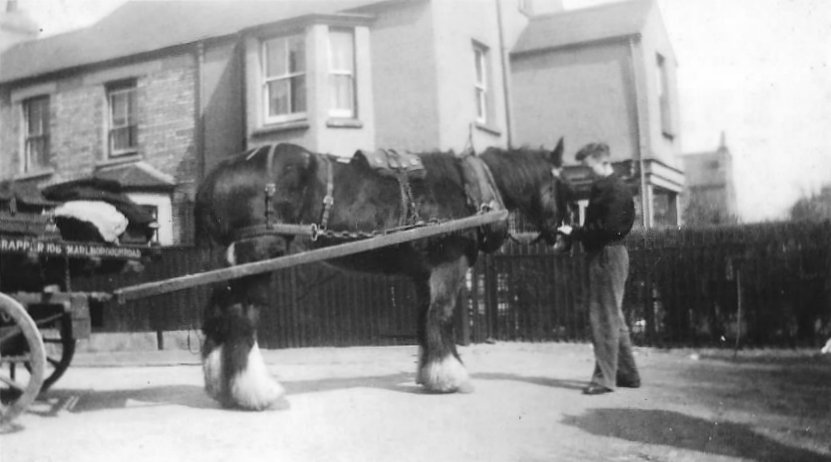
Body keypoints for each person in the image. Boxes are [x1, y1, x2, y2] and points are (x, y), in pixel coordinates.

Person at [557, 142, 641, 395]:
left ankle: (604, 379)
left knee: (603, 317)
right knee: (613, 315)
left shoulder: (616, 190)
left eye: (589, 166)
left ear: (603, 162)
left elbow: (609, 229)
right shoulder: (604, 188)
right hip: (604, 254)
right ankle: (627, 374)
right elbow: (598, 228)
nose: (586, 172)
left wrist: (575, 232)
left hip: (608, 255)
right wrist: (576, 233)